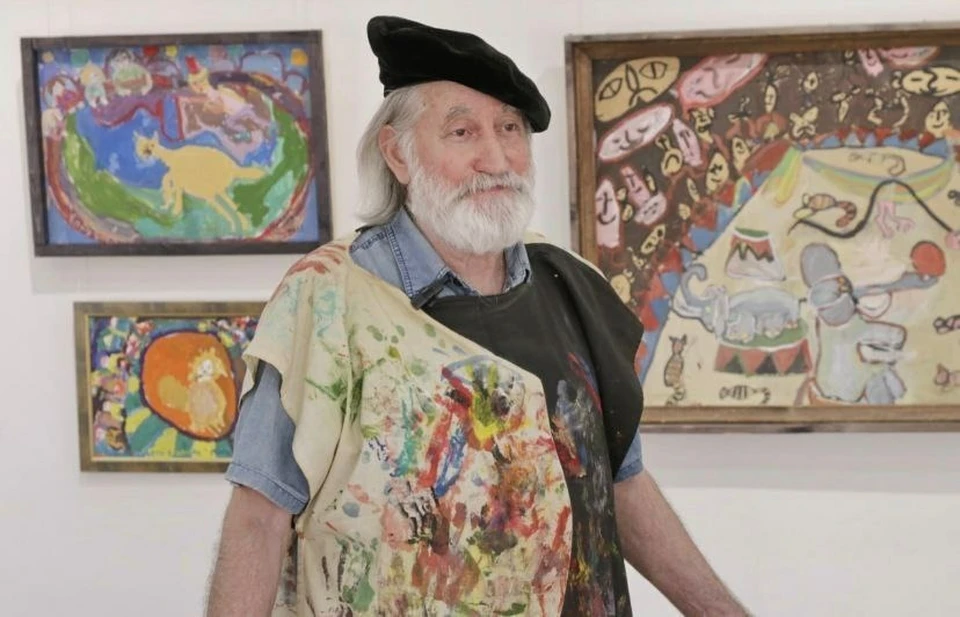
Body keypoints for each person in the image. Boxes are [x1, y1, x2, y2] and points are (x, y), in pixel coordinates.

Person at [206, 15, 749, 617]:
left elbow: (620, 483)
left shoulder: (572, 286)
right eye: (462, 132)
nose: (495, 158)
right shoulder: (328, 300)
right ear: (398, 153)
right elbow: (259, 517)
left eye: (510, 129)